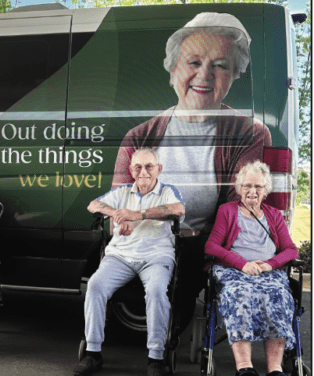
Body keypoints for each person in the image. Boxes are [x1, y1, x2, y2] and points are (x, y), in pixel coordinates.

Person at [112, 12, 272, 315]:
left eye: (220, 66)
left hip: (202, 246)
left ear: (235, 75)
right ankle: (99, 348)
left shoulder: (249, 132)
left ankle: (163, 349)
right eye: (194, 63)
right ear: (173, 70)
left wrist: (188, 240)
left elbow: (237, 212)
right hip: (148, 241)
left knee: (180, 278)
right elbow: (120, 209)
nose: (205, 75)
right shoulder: (139, 136)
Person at [73, 148, 185, 376]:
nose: (143, 171)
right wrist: (118, 215)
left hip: (156, 257)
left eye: (149, 166)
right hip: (121, 256)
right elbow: (93, 205)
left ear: (159, 169)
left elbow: (178, 209)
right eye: (138, 167)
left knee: (155, 291)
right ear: (131, 170)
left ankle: (156, 357)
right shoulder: (122, 191)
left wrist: (138, 215)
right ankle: (93, 353)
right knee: (94, 286)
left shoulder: (168, 191)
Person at [205, 161, 298, 376]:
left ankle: (275, 370)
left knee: (277, 295)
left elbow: (291, 250)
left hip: (268, 273)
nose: (252, 191)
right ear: (239, 188)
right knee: (239, 295)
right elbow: (211, 246)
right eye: (247, 186)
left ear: (266, 191)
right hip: (234, 271)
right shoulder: (227, 211)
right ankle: (244, 368)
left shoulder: (274, 215)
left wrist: (269, 264)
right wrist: (242, 264)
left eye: (258, 187)